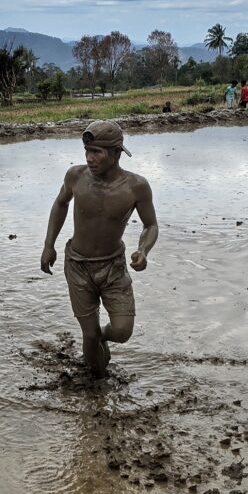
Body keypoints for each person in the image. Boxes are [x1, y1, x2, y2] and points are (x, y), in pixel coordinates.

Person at [41, 120, 158, 380]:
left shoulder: (136, 186)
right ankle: (95, 391)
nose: (90, 158)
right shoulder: (75, 176)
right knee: (89, 334)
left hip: (113, 267)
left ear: (117, 153)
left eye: (97, 152)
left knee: (122, 331)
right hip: (78, 265)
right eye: (87, 151)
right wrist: (49, 245)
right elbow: (60, 204)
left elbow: (150, 225)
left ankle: (101, 339)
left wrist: (144, 250)